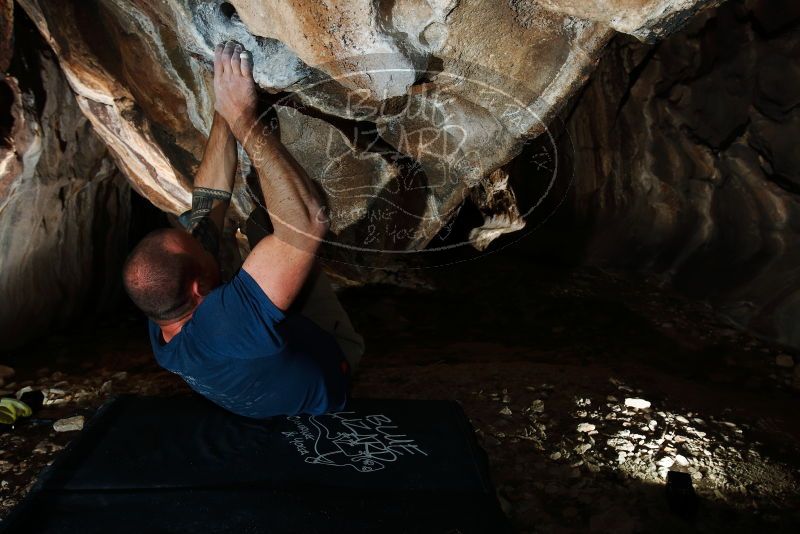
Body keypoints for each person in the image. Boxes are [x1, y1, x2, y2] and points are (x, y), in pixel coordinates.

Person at [122, 41, 363, 418]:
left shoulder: (165, 321)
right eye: (197, 246)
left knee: (232, 235)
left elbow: (208, 202)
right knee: (272, 221)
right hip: (330, 375)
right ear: (198, 290)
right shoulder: (226, 323)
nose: (202, 232)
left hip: (257, 365)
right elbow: (308, 221)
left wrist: (224, 110)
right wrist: (245, 121)